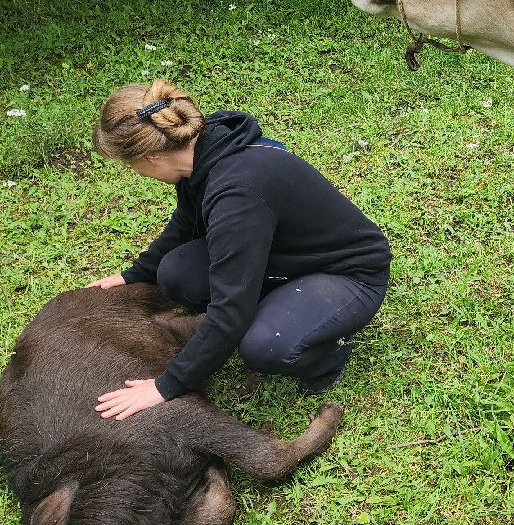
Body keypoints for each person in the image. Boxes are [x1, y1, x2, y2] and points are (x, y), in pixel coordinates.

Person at [87, 79, 391, 420]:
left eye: (130, 165)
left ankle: (328, 356)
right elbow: (185, 224)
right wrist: (134, 275)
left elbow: (230, 310)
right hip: (284, 255)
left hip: (346, 274)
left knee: (266, 345)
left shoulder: (237, 195)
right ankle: (278, 304)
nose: (136, 173)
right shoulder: (202, 148)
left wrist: (166, 385)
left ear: (152, 157)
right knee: (175, 273)